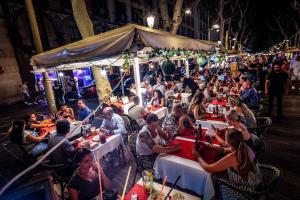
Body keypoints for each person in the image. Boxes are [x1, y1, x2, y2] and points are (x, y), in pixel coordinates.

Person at [192, 129, 262, 199]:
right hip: (255, 183)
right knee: (217, 176)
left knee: (213, 181)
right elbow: (223, 150)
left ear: (228, 142)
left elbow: (208, 168)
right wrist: (208, 146)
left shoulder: (233, 157)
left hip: (245, 192)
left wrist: (198, 157)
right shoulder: (243, 147)